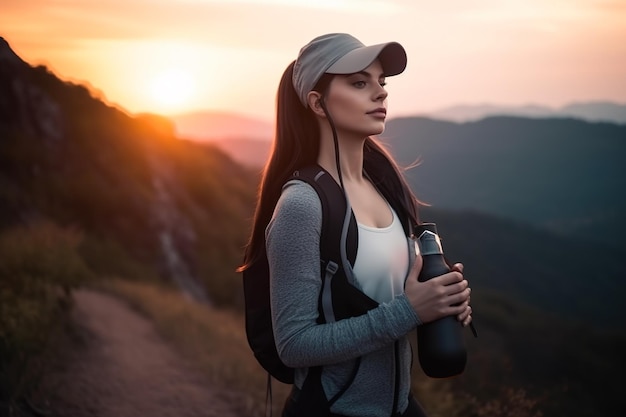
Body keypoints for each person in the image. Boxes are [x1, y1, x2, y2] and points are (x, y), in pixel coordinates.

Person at [240, 33, 473, 417]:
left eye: (381, 82)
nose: (380, 93)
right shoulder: (302, 206)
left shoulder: (385, 187)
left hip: (401, 408)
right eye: (359, 82)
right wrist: (410, 312)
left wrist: (441, 302)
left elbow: (396, 301)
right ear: (317, 103)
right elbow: (294, 344)